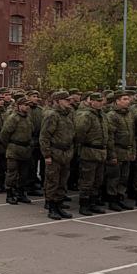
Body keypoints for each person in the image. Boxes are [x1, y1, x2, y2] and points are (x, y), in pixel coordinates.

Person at [39, 90, 76, 220]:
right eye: (66, 100)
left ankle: (59, 205)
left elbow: (72, 134)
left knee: (63, 180)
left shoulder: (69, 114)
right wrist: (47, 154)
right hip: (55, 152)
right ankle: (52, 207)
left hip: (66, 152)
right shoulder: (52, 115)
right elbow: (44, 137)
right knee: (52, 181)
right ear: (58, 101)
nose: (69, 102)